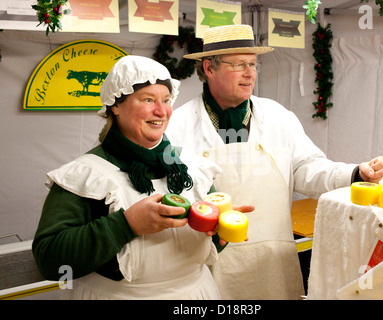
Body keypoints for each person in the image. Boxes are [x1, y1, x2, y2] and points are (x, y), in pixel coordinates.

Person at [165, 24, 383, 300]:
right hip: (208, 261)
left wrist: (357, 173)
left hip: (273, 261)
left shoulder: (278, 117)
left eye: (253, 64)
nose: (250, 73)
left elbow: (307, 169)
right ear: (209, 69)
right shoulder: (177, 125)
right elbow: (170, 193)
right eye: (239, 64)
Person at [32, 55, 237, 299]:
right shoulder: (85, 175)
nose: (161, 111)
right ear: (115, 106)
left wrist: (220, 231)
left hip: (196, 295)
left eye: (166, 100)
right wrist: (126, 225)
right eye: (148, 100)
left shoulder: (192, 168)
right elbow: (49, 260)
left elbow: (205, 247)